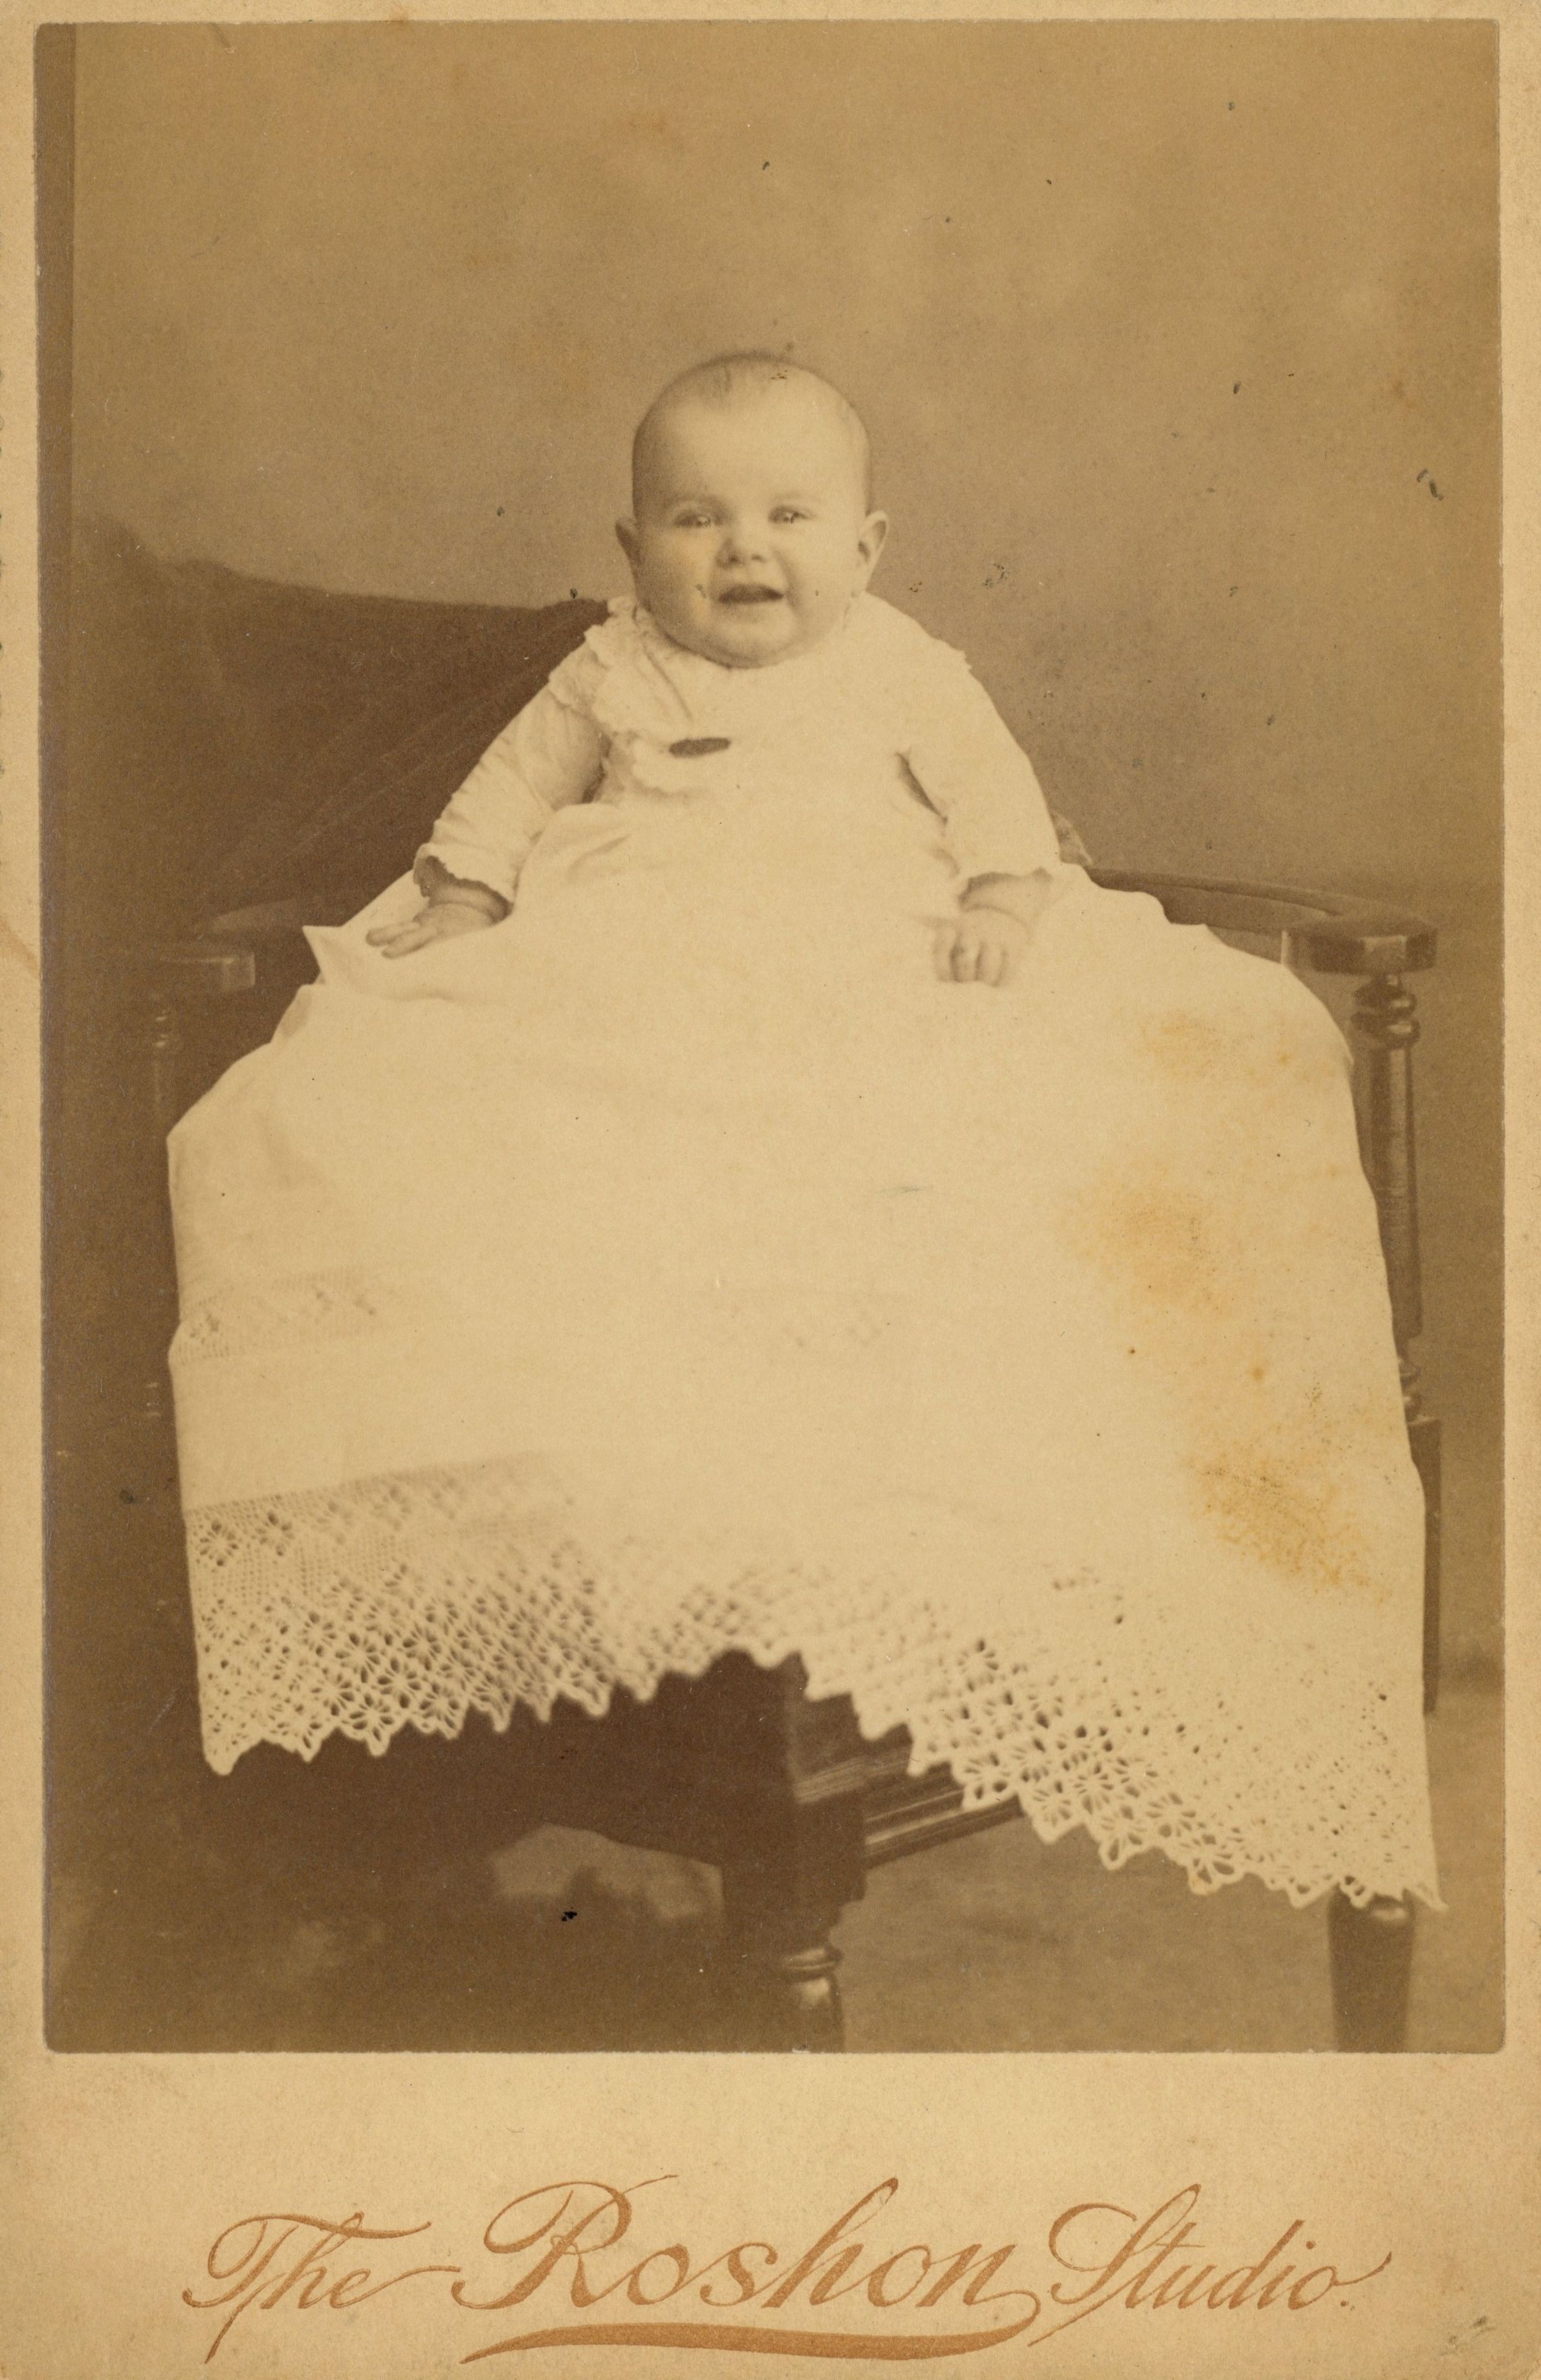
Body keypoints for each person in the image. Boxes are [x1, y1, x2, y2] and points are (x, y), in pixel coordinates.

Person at [167, 353, 1439, 1914]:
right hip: (634, 936)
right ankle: (652, 1482)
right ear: (634, 549)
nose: (743, 549)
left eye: (787, 515)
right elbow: (509, 794)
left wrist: (1002, 892)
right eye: (696, 519)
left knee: (940, 1092)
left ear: (867, 543)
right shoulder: (608, 670)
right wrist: (468, 893)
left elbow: (990, 786)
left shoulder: (900, 661)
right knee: (468, 1089)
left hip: (855, 929)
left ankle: (883, 1459)